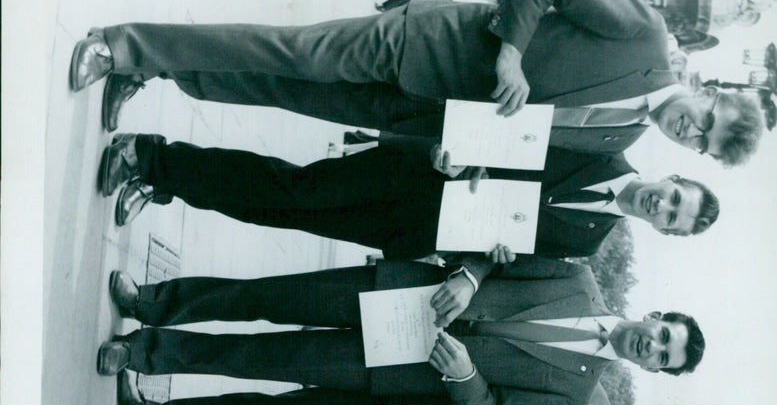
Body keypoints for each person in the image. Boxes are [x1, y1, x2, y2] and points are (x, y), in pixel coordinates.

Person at [69, 0, 764, 164]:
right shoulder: (644, 38)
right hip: (430, 43)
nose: (692, 133)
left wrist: (465, 156)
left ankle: (157, 66)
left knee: (281, 88)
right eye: (708, 120)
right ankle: (121, 43)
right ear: (714, 91)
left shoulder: (626, 133)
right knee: (288, 50)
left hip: (419, 113)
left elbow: (526, 138)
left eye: (702, 144)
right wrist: (512, 55)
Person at [96, 259, 706, 405]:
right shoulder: (576, 276)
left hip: (401, 364)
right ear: (654, 316)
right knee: (264, 296)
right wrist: (469, 277)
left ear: (652, 371)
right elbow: (500, 252)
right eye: (662, 336)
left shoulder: (576, 393)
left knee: (266, 359)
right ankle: (150, 302)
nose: (650, 347)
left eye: (660, 357)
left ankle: (144, 353)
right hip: (401, 292)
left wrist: (465, 375)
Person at [101, 134, 719, 258]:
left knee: (285, 214)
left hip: (416, 230)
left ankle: (168, 184)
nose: (659, 206)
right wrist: (446, 145)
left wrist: (484, 268)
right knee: (295, 186)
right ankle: (151, 155)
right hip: (422, 173)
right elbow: (514, 125)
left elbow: (502, 258)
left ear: (666, 232)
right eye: (672, 197)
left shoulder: (588, 241)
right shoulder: (601, 148)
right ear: (673, 177)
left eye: (671, 219)